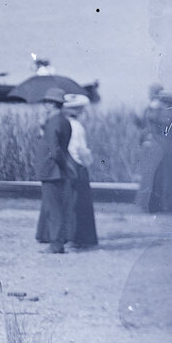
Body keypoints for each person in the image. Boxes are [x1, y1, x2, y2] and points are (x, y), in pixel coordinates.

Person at [34, 88, 74, 253]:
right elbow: (56, 145)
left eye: (46, 102)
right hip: (57, 170)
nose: (44, 106)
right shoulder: (63, 121)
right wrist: (43, 128)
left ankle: (56, 244)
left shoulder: (54, 122)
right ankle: (57, 240)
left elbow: (54, 150)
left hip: (52, 171)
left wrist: (64, 166)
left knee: (53, 209)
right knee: (56, 207)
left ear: (52, 104)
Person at [62, 93, 99, 250]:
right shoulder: (77, 126)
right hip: (77, 164)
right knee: (79, 201)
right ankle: (79, 237)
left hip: (67, 162)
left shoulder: (63, 123)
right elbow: (80, 149)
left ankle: (69, 235)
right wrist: (87, 161)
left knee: (70, 199)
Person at [133, 88, 172, 214]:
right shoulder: (171, 113)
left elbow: (150, 125)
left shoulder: (160, 111)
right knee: (164, 178)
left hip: (159, 148)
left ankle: (156, 206)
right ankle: (163, 206)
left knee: (156, 177)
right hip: (166, 148)